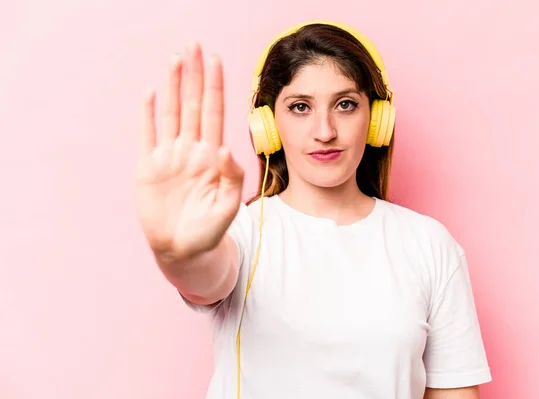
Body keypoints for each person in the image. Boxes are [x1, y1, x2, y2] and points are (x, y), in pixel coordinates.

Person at [134, 20, 492, 399]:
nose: (325, 130)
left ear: (376, 121)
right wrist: (177, 254)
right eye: (300, 107)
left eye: (346, 104)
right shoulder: (240, 232)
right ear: (268, 125)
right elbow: (203, 278)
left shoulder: (429, 245)